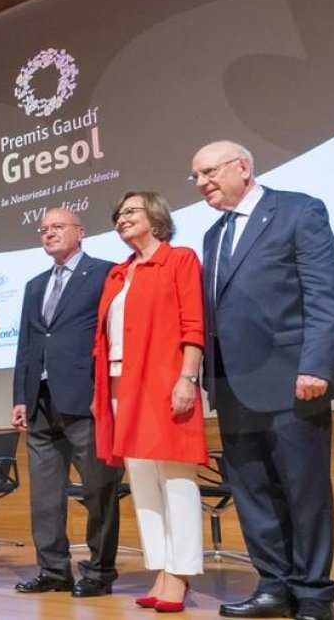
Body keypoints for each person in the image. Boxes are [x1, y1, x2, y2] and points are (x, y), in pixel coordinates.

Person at [192, 141, 334, 620]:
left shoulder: (299, 211)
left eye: (208, 172)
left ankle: (314, 593)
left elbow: (326, 294)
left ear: (242, 167)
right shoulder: (213, 234)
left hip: (292, 379)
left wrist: (316, 365)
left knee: (304, 491)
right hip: (232, 384)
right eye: (195, 177)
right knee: (252, 493)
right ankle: (273, 585)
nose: (201, 183)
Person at [91, 191, 207, 613]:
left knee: (175, 478)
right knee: (141, 480)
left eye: (131, 212)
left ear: (156, 217)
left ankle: (182, 571)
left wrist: (186, 379)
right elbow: (103, 341)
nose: (121, 218)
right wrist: (99, 392)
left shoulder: (180, 260)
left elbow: (193, 324)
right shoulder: (119, 273)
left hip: (164, 381)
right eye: (118, 214)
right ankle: (161, 567)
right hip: (120, 384)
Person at [11, 209, 124, 597]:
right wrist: (19, 398)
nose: (48, 234)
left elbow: (114, 335)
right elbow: (26, 346)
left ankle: (100, 571)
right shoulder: (34, 285)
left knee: (99, 490)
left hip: (87, 401)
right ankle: (54, 571)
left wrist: (107, 391)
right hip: (40, 403)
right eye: (43, 229)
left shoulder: (106, 273)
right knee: (44, 497)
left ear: (81, 231)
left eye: (57, 227)